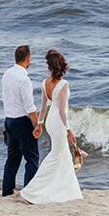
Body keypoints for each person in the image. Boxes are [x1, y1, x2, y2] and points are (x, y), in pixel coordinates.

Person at [20, 48, 83, 204]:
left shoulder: (44, 83)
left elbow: (43, 107)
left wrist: (40, 125)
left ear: (50, 66)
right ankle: (32, 190)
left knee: (63, 155)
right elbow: (62, 110)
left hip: (50, 121)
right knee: (56, 155)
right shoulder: (63, 84)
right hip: (59, 122)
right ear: (61, 67)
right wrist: (69, 129)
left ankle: (70, 191)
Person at [1, 44, 40, 197]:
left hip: (9, 120)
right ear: (28, 59)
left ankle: (7, 190)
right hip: (22, 122)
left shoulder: (7, 74)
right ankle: (29, 192)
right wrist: (37, 125)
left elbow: (4, 98)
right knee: (32, 159)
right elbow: (30, 106)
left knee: (12, 158)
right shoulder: (24, 79)